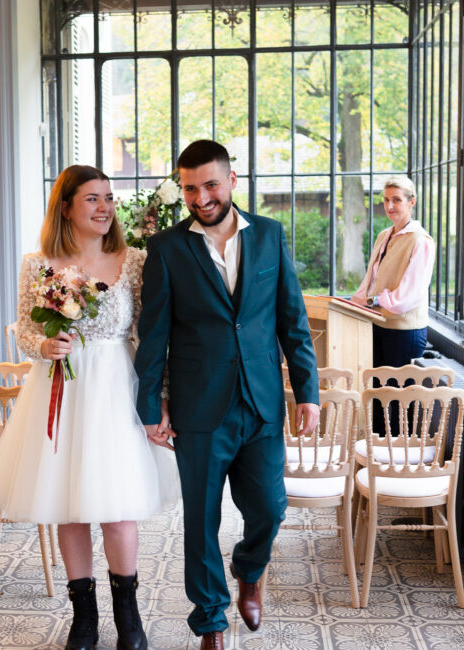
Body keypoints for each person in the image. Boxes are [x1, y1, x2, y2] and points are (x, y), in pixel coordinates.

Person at [134, 140, 320, 649]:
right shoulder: (167, 249)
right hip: (198, 407)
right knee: (201, 519)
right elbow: (154, 336)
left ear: (232, 180)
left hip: (261, 403)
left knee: (270, 508)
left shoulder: (269, 235)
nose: (201, 198)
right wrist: (150, 407)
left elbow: (292, 320)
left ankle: (249, 568)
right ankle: (210, 621)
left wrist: (307, 391)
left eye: (211, 185)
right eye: (190, 188)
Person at [0, 165, 177, 650]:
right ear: (66, 207)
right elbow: (26, 330)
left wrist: (160, 397)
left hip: (116, 392)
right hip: (61, 392)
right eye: (92, 198)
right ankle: (83, 619)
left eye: (108, 197)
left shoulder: (134, 260)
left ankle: (129, 618)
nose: (105, 207)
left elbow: (150, 335)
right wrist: (42, 346)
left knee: (118, 508)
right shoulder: (37, 264)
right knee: (69, 506)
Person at [351, 176, 434, 434]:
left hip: (404, 333)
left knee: (398, 406)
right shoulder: (384, 236)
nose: (389, 206)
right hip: (379, 325)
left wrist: (372, 301)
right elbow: (371, 280)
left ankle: (397, 457)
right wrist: (354, 302)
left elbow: (409, 295)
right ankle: (375, 453)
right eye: (386, 200)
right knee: (378, 397)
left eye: (396, 200)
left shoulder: (421, 240)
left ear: (412, 202)